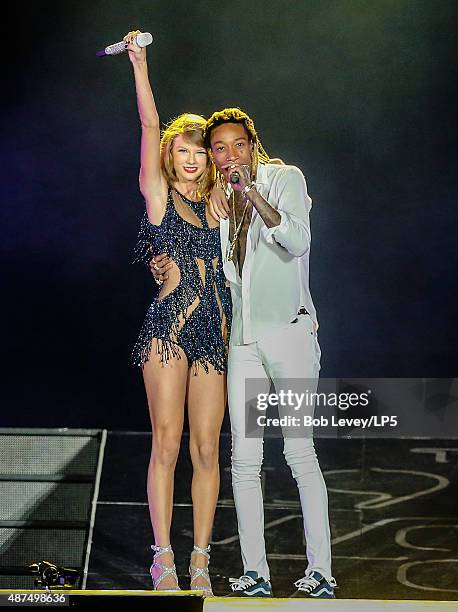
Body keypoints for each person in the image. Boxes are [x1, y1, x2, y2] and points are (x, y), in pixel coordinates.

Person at [153, 108, 336, 598]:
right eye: (220, 148)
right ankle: (256, 571)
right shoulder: (219, 201)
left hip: (291, 336)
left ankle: (321, 572)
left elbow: (296, 241)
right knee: (244, 461)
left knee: (299, 452)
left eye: (238, 144)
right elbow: (211, 263)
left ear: (254, 144)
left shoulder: (283, 178)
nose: (229, 155)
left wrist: (250, 192)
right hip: (244, 343)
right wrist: (164, 265)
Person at [123, 31, 231, 596]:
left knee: (208, 449)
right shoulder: (159, 198)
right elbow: (147, 126)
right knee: (166, 444)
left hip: (214, 336)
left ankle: (200, 560)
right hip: (169, 332)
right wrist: (140, 66)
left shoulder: (219, 205)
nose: (191, 158)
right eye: (183, 149)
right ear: (171, 155)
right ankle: (162, 557)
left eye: (199, 150)